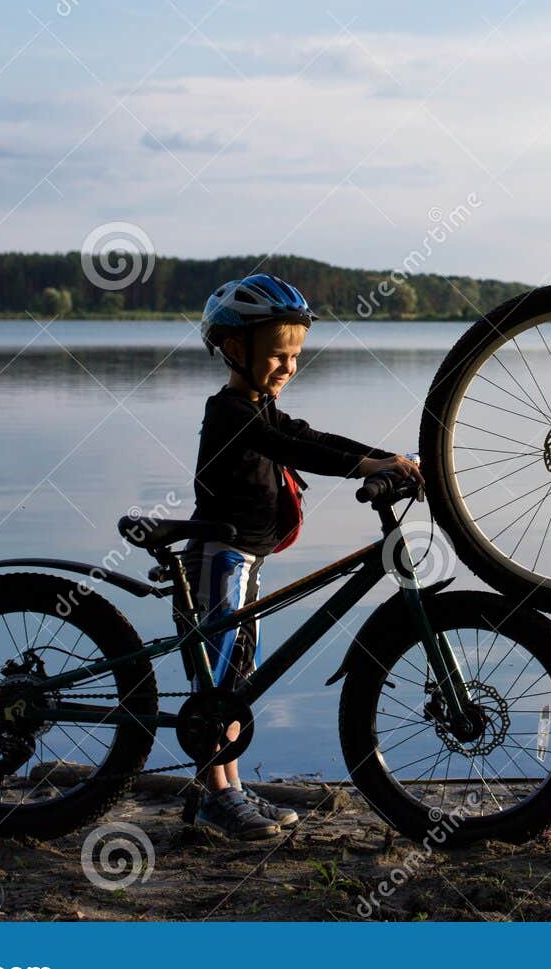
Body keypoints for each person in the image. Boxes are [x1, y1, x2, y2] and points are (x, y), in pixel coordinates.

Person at [180, 273, 422, 839]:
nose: (289, 366)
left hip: (245, 561)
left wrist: (385, 458)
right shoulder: (231, 413)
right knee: (217, 686)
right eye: (278, 355)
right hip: (218, 558)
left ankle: (229, 790)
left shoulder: (262, 409)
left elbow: (314, 437)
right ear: (236, 350)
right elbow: (294, 449)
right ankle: (218, 798)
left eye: (296, 356)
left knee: (237, 682)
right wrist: (368, 468)